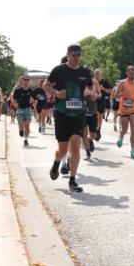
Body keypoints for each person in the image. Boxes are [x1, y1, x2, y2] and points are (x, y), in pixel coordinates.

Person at [47, 44, 94, 192]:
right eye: (73, 55)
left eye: (78, 55)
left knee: (75, 145)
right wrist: (56, 93)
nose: (76, 58)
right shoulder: (59, 70)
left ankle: (72, 180)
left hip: (78, 113)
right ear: (67, 55)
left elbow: (91, 87)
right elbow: (46, 85)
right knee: (63, 149)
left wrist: (88, 91)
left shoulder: (85, 72)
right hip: (62, 113)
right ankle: (56, 162)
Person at [114, 65, 134, 159]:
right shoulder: (122, 83)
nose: (133, 75)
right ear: (127, 73)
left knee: (133, 128)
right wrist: (122, 94)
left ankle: (133, 150)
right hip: (124, 109)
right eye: (131, 73)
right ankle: (121, 136)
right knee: (125, 130)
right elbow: (116, 95)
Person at [12, 75, 35, 146]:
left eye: (28, 80)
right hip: (20, 109)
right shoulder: (18, 90)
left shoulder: (31, 91)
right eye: (25, 79)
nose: (26, 81)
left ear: (29, 81)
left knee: (27, 125)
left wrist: (33, 102)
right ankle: (21, 130)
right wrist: (15, 104)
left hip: (28, 109)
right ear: (22, 80)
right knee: (21, 125)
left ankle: (26, 139)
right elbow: (13, 98)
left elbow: (35, 100)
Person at [93, 69, 112, 140]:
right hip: (92, 102)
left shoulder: (104, 82)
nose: (97, 75)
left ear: (101, 74)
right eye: (96, 73)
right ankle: (94, 130)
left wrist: (103, 89)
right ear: (94, 74)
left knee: (100, 117)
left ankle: (98, 130)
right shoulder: (91, 82)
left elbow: (110, 91)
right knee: (94, 117)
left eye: (98, 73)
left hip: (101, 101)